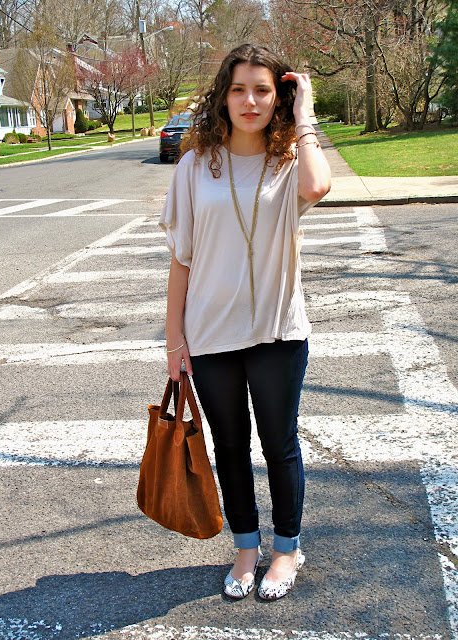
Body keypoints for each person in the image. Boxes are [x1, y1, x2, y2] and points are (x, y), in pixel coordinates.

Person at [159, 43, 331, 601]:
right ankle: (246, 548)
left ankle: (286, 550)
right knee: (230, 446)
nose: (250, 101)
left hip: (277, 331)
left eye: (263, 90)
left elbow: (317, 187)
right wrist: (174, 341)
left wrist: (305, 113)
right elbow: (182, 258)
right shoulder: (195, 165)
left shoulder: (291, 160)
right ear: (223, 97)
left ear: (278, 97)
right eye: (239, 90)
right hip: (210, 333)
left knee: (279, 444)